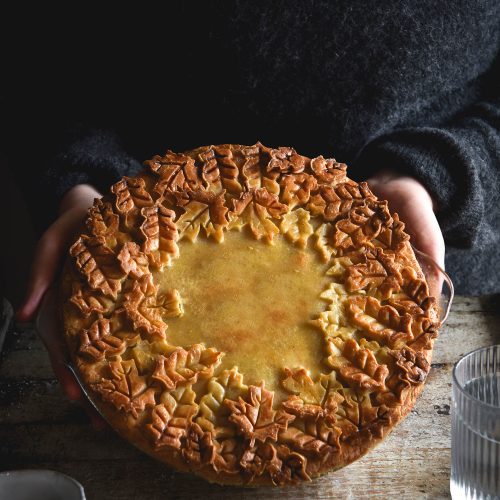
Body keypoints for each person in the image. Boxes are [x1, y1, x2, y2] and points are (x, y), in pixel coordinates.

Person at [3, 2, 499, 426]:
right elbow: (40, 55)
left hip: (457, 327)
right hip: (130, 267)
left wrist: (438, 173)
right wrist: (82, 182)